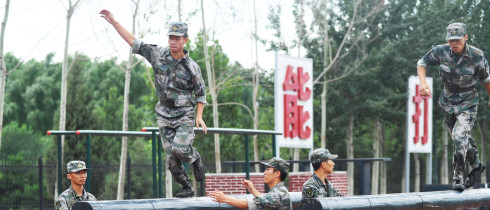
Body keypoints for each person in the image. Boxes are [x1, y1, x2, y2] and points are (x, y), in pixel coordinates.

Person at [100, 10, 207, 197]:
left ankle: (195, 158)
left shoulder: (192, 67)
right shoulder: (157, 54)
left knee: (180, 149)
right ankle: (187, 188)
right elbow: (133, 41)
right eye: (171, 38)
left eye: (177, 38)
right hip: (164, 113)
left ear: (185, 40)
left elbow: (200, 94)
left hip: (184, 114)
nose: (173, 41)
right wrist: (114, 22)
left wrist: (199, 116)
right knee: (172, 161)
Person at [417, 22, 490, 191]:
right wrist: (423, 83)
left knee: (458, 137)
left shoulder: (476, 56)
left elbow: (486, 79)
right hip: (448, 102)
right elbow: (422, 63)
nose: (454, 44)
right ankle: (477, 166)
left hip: (468, 102)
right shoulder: (440, 51)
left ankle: (457, 178)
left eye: (457, 40)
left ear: (465, 37)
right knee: (461, 140)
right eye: (451, 40)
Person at [209, 157, 292, 210]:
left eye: (267, 169)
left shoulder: (278, 194)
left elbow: (253, 203)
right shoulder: (279, 192)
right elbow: (265, 200)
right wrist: (252, 189)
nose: (264, 173)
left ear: (277, 174)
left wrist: (225, 199)